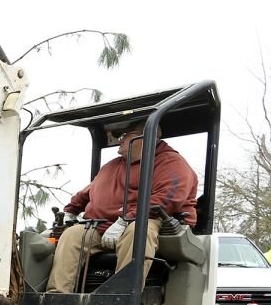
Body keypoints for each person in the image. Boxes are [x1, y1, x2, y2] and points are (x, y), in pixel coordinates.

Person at [47, 125, 197, 293]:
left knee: (139, 231)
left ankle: (122, 297)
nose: (120, 140)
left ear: (144, 137)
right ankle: (57, 297)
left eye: (125, 136)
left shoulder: (171, 163)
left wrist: (125, 220)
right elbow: (90, 190)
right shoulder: (112, 166)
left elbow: (166, 200)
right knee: (72, 235)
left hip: (149, 222)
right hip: (103, 225)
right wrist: (71, 210)